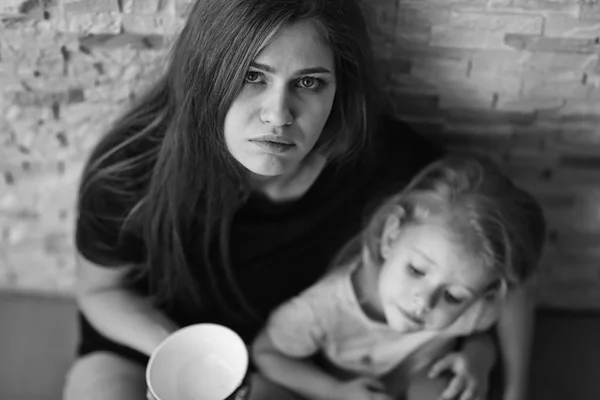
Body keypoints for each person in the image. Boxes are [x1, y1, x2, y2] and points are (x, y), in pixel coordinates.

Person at [62, 1, 537, 399]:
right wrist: (183, 354)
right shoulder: (130, 169)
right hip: (149, 345)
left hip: (290, 367)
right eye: (252, 75)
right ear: (209, 70)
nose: (278, 115)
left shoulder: (382, 161)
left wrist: (514, 389)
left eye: (309, 83)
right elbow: (100, 291)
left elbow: (503, 263)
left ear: (338, 86)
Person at [252, 155, 546, 400]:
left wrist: (478, 360)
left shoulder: (473, 304)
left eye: (453, 296)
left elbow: (484, 331)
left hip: (421, 379)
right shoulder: (325, 307)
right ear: (391, 236)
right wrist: (333, 391)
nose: (424, 302)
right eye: (416, 270)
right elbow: (266, 351)